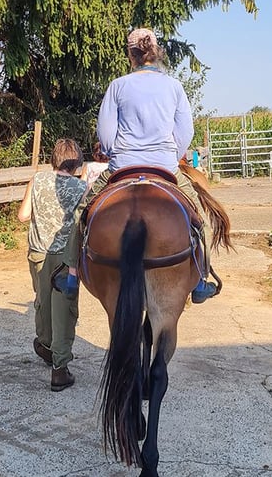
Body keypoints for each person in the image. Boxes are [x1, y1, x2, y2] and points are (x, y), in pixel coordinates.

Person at [55, 27, 218, 304]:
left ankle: (71, 274)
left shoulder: (118, 86)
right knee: (199, 217)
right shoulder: (174, 86)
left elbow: (106, 135)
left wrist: (114, 152)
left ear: (131, 55)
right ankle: (203, 277)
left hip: (122, 167)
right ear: (156, 53)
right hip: (164, 166)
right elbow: (185, 131)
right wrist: (168, 154)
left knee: (81, 212)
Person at [17, 138, 87, 391]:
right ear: (77, 162)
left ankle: (45, 344)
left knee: (42, 300)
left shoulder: (36, 180)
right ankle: (60, 368)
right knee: (64, 310)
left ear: (53, 159)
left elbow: (23, 215)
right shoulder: (82, 189)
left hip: (37, 253)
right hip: (66, 258)